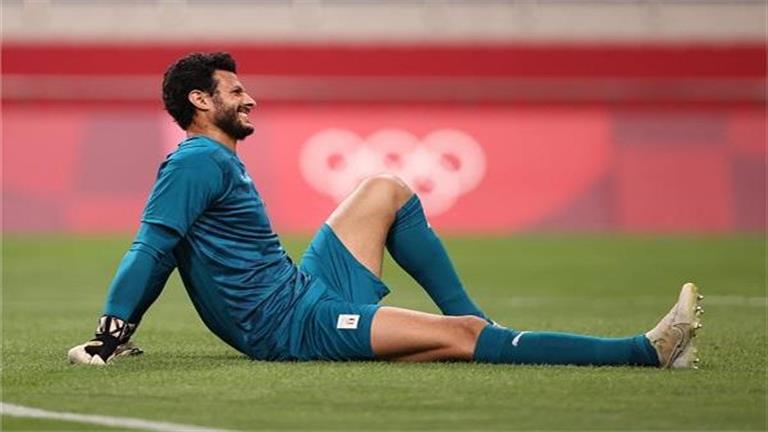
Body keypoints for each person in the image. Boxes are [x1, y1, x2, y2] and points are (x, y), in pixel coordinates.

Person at [68, 52, 703, 368]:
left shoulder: (211, 160)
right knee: (462, 340)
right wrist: (111, 333)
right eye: (236, 91)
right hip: (293, 327)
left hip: (304, 291)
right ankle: (644, 352)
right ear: (201, 102)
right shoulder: (197, 162)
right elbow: (153, 247)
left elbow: (170, 248)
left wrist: (125, 329)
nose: (251, 99)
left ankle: (477, 325)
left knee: (385, 188)